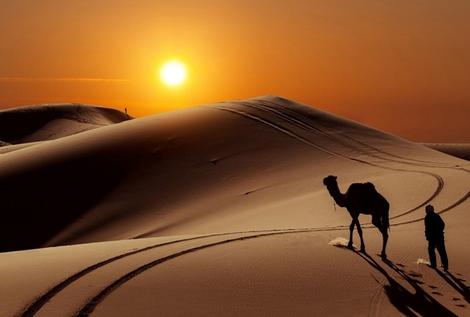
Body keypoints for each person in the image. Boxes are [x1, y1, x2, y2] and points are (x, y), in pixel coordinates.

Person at [424, 205, 448, 270]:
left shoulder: (427, 217)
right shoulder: (436, 216)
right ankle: (445, 265)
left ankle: (433, 264)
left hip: (433, 237)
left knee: (431, 250)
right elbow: (442, 224)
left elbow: (427, 228)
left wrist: (428, 235)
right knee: (442, 251)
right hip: (439, 236)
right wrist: (439, 231)